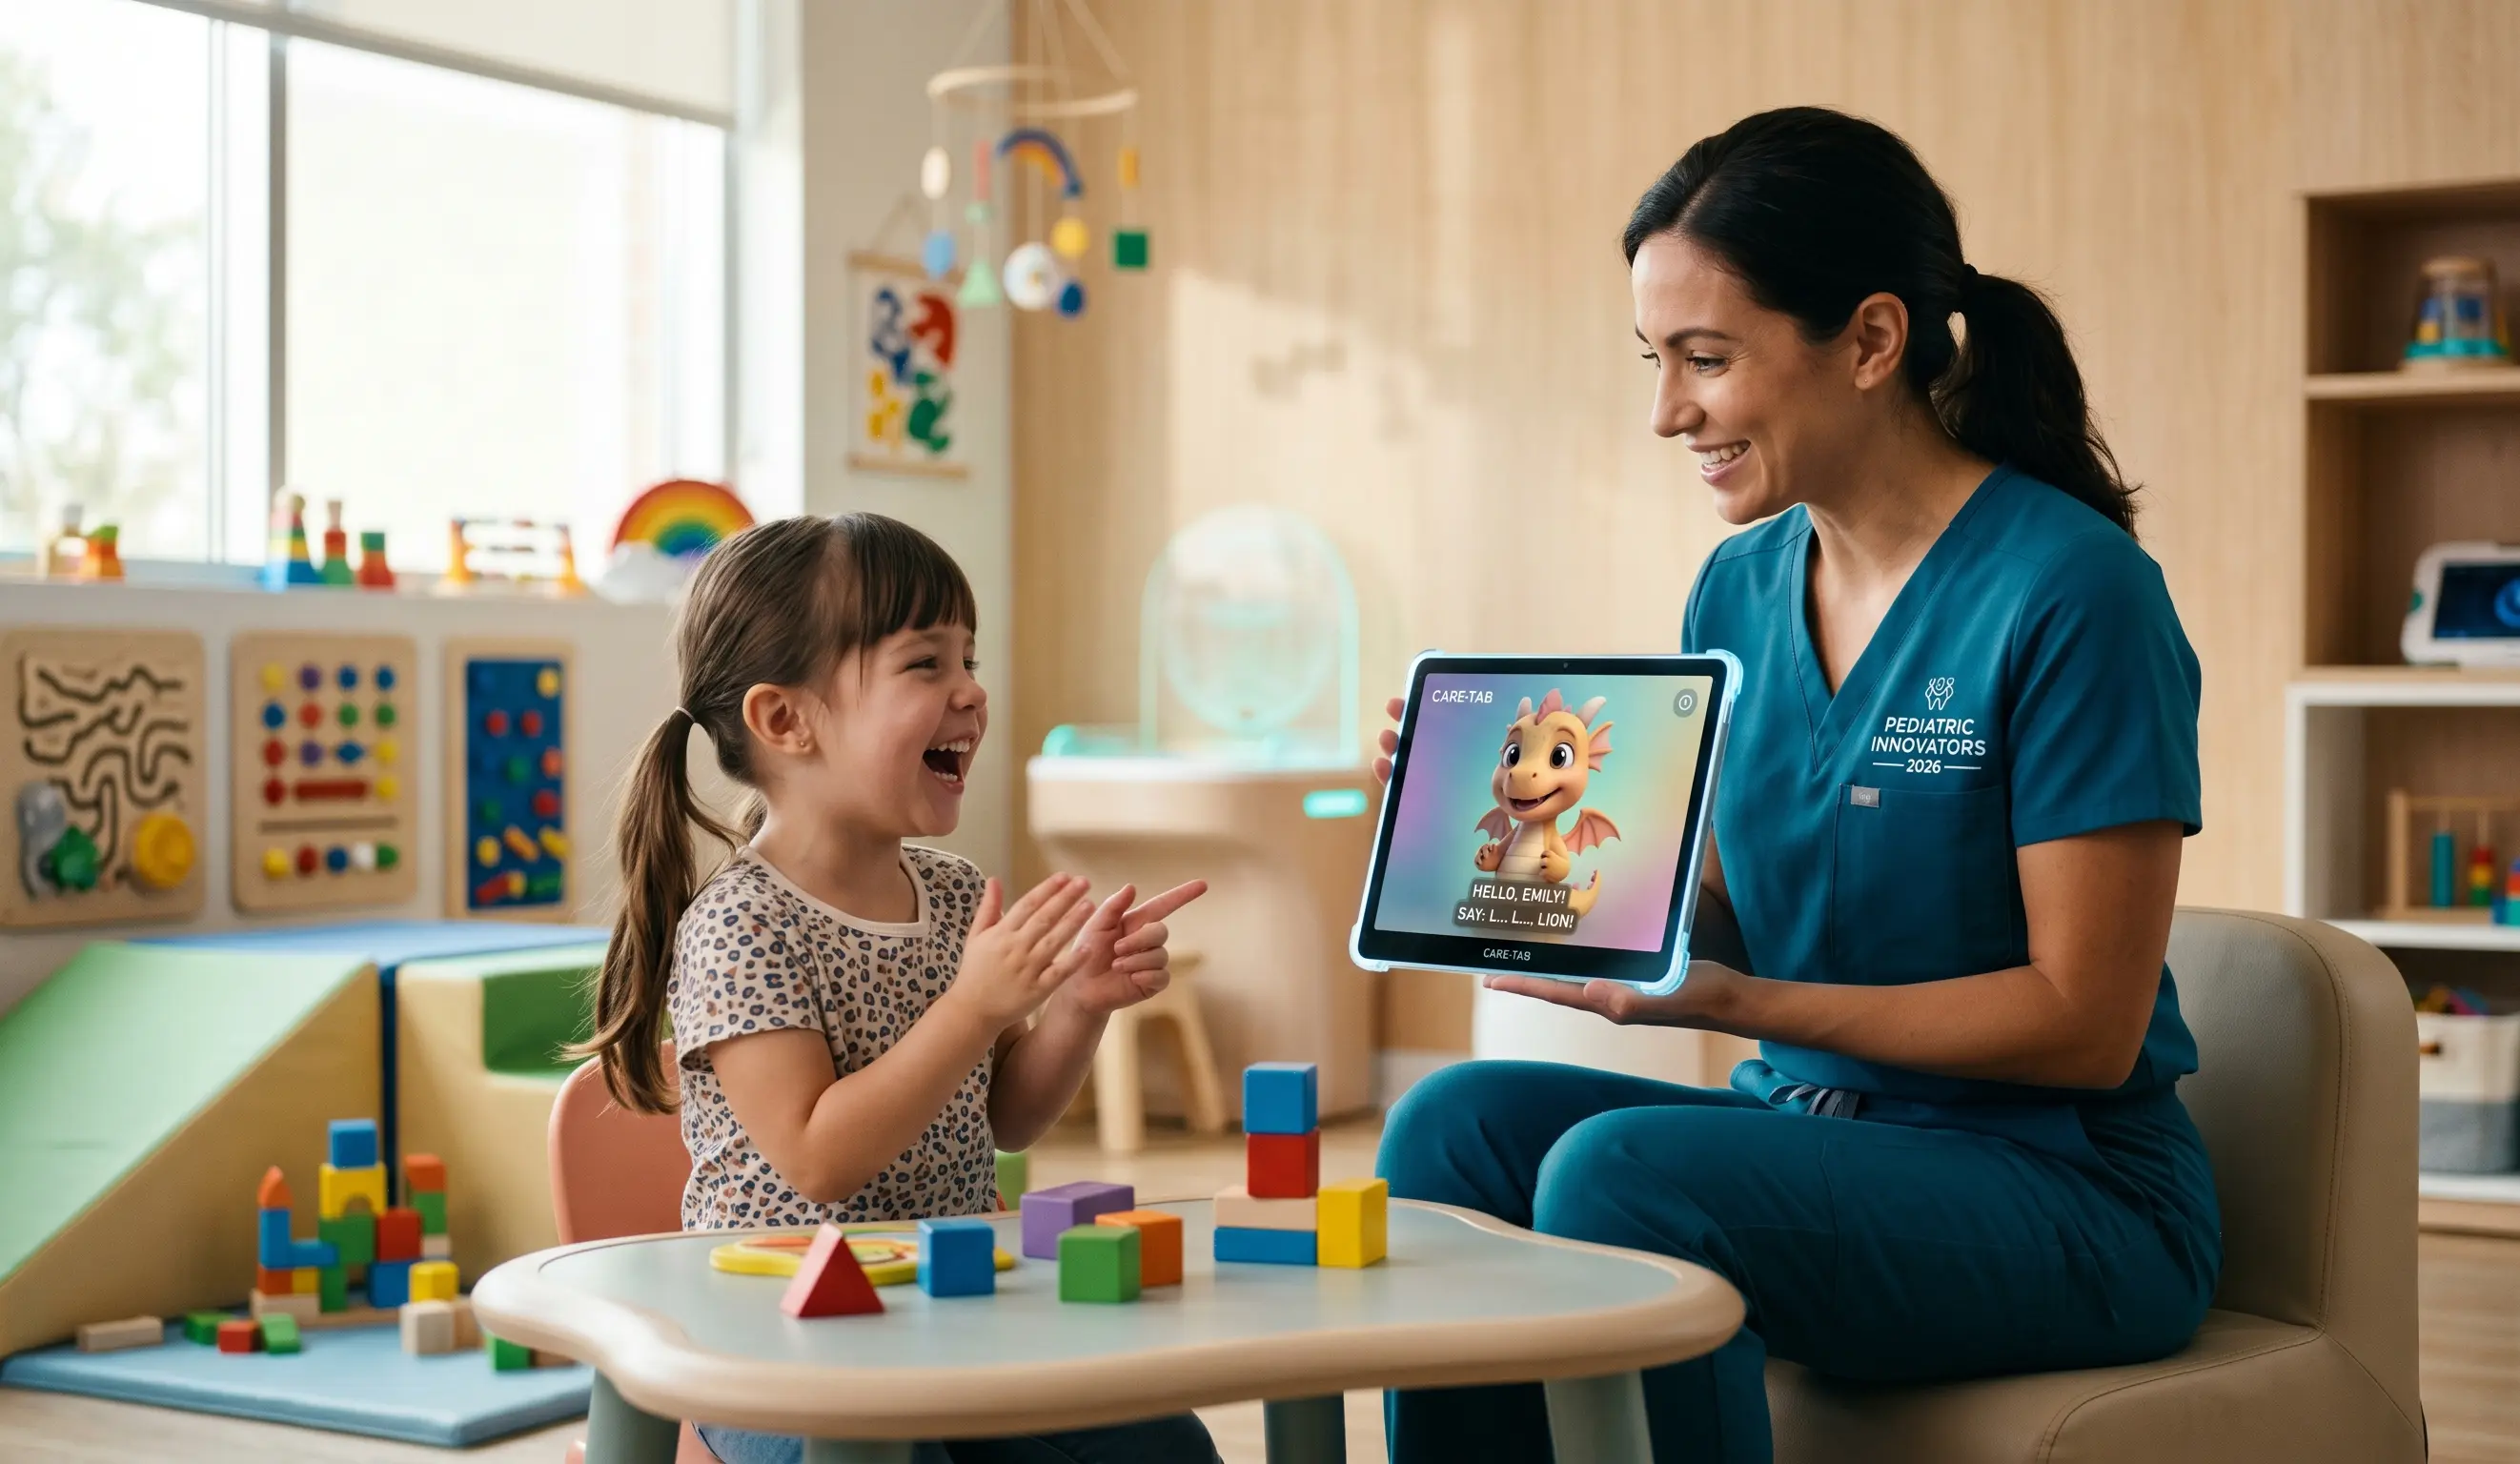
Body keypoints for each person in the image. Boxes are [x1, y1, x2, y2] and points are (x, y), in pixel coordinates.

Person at [1374, 107, 2220, 1463]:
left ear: (1872, 340)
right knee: (1450, 1130)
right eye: (1655, 360)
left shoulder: (2075, 593)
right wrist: (1507, 847)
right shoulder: (1736, 588)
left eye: (1706, 359)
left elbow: (2084, 1027)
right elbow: (1723, 918)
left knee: (1620, 1173)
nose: (1667, 412)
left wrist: (1734, 1004)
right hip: (1817, 1129)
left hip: (2066, 1185)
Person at [584, 512, 1217, 1464]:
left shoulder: (954, 894)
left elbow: (1006, 1117)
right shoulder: (741, 924)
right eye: (925, 664)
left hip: (951, 1316)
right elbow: (817, 1159)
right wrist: (973, 1007)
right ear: (785, 721)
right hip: (775, 1336)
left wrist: (1077, 1006)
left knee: (1164, 1445)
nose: (972, 691)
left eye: (969, 659)